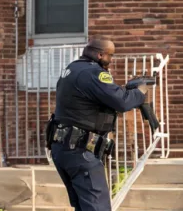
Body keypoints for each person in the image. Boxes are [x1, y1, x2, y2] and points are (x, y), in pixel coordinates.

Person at [47, 36, 148, 211]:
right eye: (111, 56)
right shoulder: (94, 73)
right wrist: (140, 92)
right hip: (81, 152)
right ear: (100, 55)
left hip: (63, 149)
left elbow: (99, 98)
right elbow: (121, 102)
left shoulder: (72, 69)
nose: (111, 60)